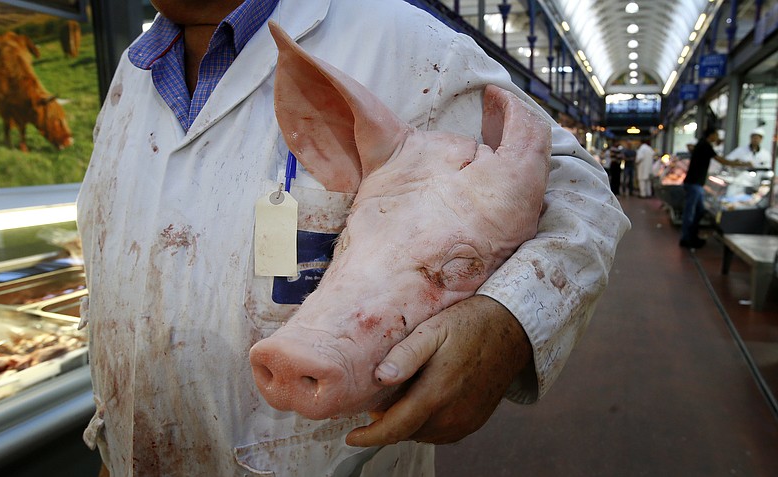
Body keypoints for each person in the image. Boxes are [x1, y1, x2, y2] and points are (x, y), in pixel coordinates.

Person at [76, 0, 630, 475]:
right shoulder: (131, 74)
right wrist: (116, 444)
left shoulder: (399, 39)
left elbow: (580, 194)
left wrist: (506, 319)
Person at [680, 127, 749, 248]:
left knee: (699, 211)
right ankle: (686, 238)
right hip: (694, 184)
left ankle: (692, 236)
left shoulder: (703, 144)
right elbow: (721, 161)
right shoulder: (705, 145)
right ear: (711, 135)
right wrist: (741, 164)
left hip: (696, 184)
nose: (717, 137)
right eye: (716, 135)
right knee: (690, 212)